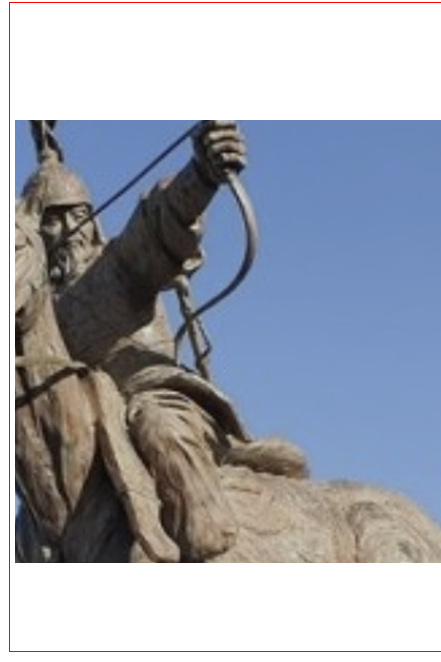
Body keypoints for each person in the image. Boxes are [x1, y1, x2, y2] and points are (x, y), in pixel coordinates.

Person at [19, 121, 265, 561]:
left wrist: (201, 174)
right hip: (88, 435)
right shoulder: (36, 311)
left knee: (160, 430)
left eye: (77, 214)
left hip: (151, 392)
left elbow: (158, 223)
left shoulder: (117, 265)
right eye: (52, 220)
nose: (69, 228)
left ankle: (210, 551)